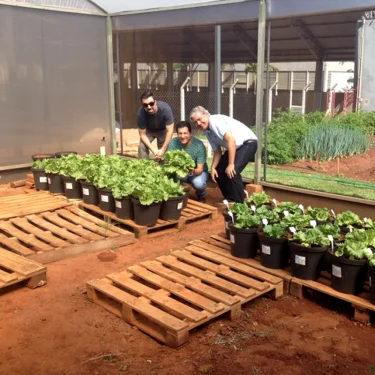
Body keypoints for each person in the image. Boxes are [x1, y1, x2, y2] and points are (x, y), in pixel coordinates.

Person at [190, 106, 258, 203]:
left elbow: (231, 141)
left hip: (248, 143)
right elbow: (217, 152)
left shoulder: (215, 121)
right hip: (236, 147)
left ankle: (240, 204)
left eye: (199, 119)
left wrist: (231, 164)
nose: (198, 123)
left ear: (206, 115)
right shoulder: (208, 132)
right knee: (219, 172)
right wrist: (213, 168)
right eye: (195, 122)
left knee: (232, 172)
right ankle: (230, 199)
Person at [168, 121, 209, 202]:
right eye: (180, 133)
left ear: (190, 133)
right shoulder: (173, 142)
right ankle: (178, 197)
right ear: (177, 134)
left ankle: (201, 196)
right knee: (169, 177)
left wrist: (188, 170)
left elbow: (200, 170)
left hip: (196, 172)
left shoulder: (199, 145)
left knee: (198, 183)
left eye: (185, 133)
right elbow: (169, 161)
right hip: (180, 172)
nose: (183, 136)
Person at [137, 90, 174, 159]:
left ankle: (164, 167)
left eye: (151, 103)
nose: (149, 107)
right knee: (141, 146)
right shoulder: (140, 113)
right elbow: (142, 135)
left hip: (163, 130)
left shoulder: (165, 109)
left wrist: (162, 150)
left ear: (155, 102)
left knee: (165, 148)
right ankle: (143, 167)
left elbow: (170, 131)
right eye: (145, 105)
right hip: (149, 130)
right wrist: (153, 150)